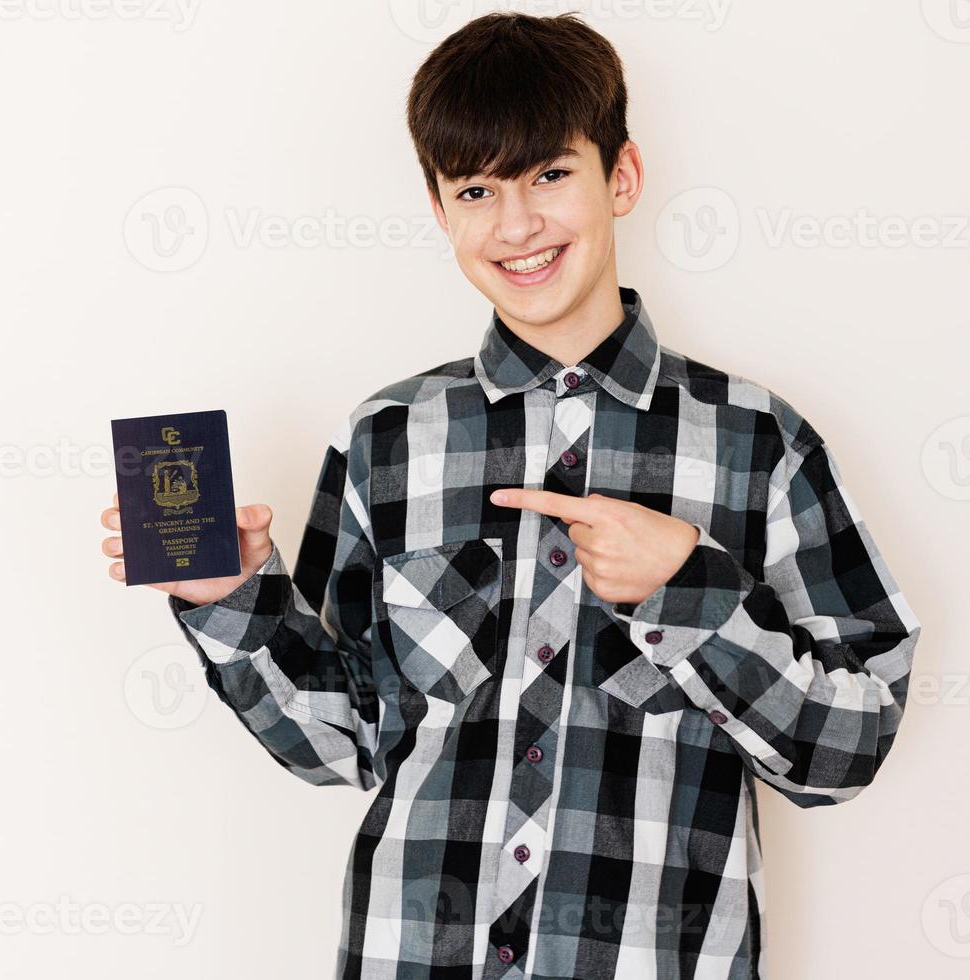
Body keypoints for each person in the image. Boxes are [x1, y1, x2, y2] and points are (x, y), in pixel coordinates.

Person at [99, 11, 920, 978]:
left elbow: (849, 747)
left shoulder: (758, 442)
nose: (516, 224)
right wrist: (232, 601)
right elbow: (344, 742)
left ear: (622, 177)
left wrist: (688, 590)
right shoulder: (385, 441)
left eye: (550, 175)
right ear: (440, 210)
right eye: (477, 188)